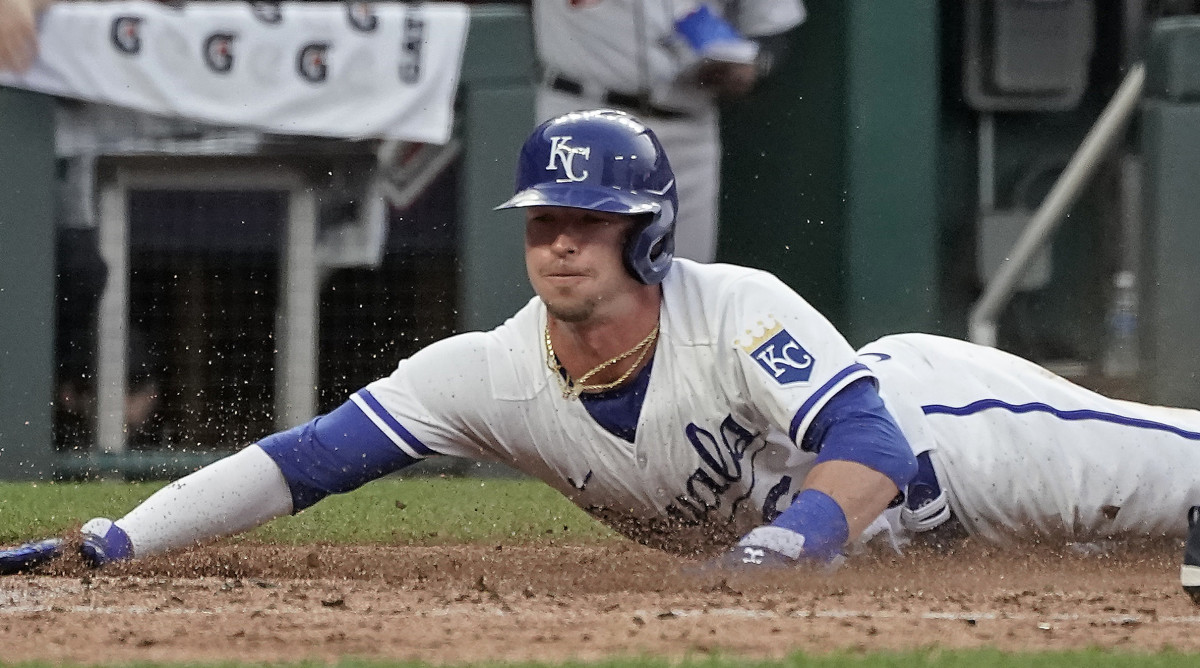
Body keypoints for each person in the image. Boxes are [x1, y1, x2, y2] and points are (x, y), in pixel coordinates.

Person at [4, 110, 1200, 597]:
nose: (559, 241)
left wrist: (780, 546)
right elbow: (302, 460)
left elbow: (872, 438)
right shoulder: (490, 373)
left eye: (586, 221)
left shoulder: (735, 306)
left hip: (966, 441)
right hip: (903, 553)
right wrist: (114, 537)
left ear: (649, 230)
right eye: (542, 221)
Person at [533, 0, 806, 264]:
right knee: (582, 270)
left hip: (689, 126)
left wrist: (756, 69)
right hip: (585, 115)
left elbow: (772, 27)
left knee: (683, 281)